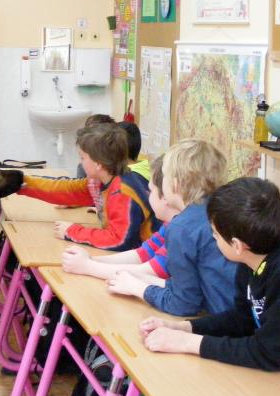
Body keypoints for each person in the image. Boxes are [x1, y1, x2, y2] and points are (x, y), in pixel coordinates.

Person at [140, 177, 280, 372]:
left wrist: (188, 343)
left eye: (215, 234)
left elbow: (269, 353)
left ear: (237, 245)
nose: (213, 238)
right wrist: (183, 328)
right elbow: (244, 319)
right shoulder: (253, 254)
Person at [106, 139, 237, 316]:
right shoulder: (217, 209)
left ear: (174, 184)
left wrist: (139, 289)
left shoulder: (181, 227)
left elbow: (183, 304)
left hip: (225, 321)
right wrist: (143, 282)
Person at [19, 124, 160, 251]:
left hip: (147, 260)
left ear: (98, 164)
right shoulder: (102, 180)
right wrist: (22, 183)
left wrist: (72, 231)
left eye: (82, 158)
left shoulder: (123, 191)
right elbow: (66, 190)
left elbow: (119, 241)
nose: (80, 163)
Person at [63, 154, 179, 280]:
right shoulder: (171, 224)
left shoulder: (182, 231)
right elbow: (142, 254)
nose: (147, 194)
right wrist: (91, 260)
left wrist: (88, 266)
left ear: (168, 194)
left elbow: (150, 272)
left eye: (150, 190)